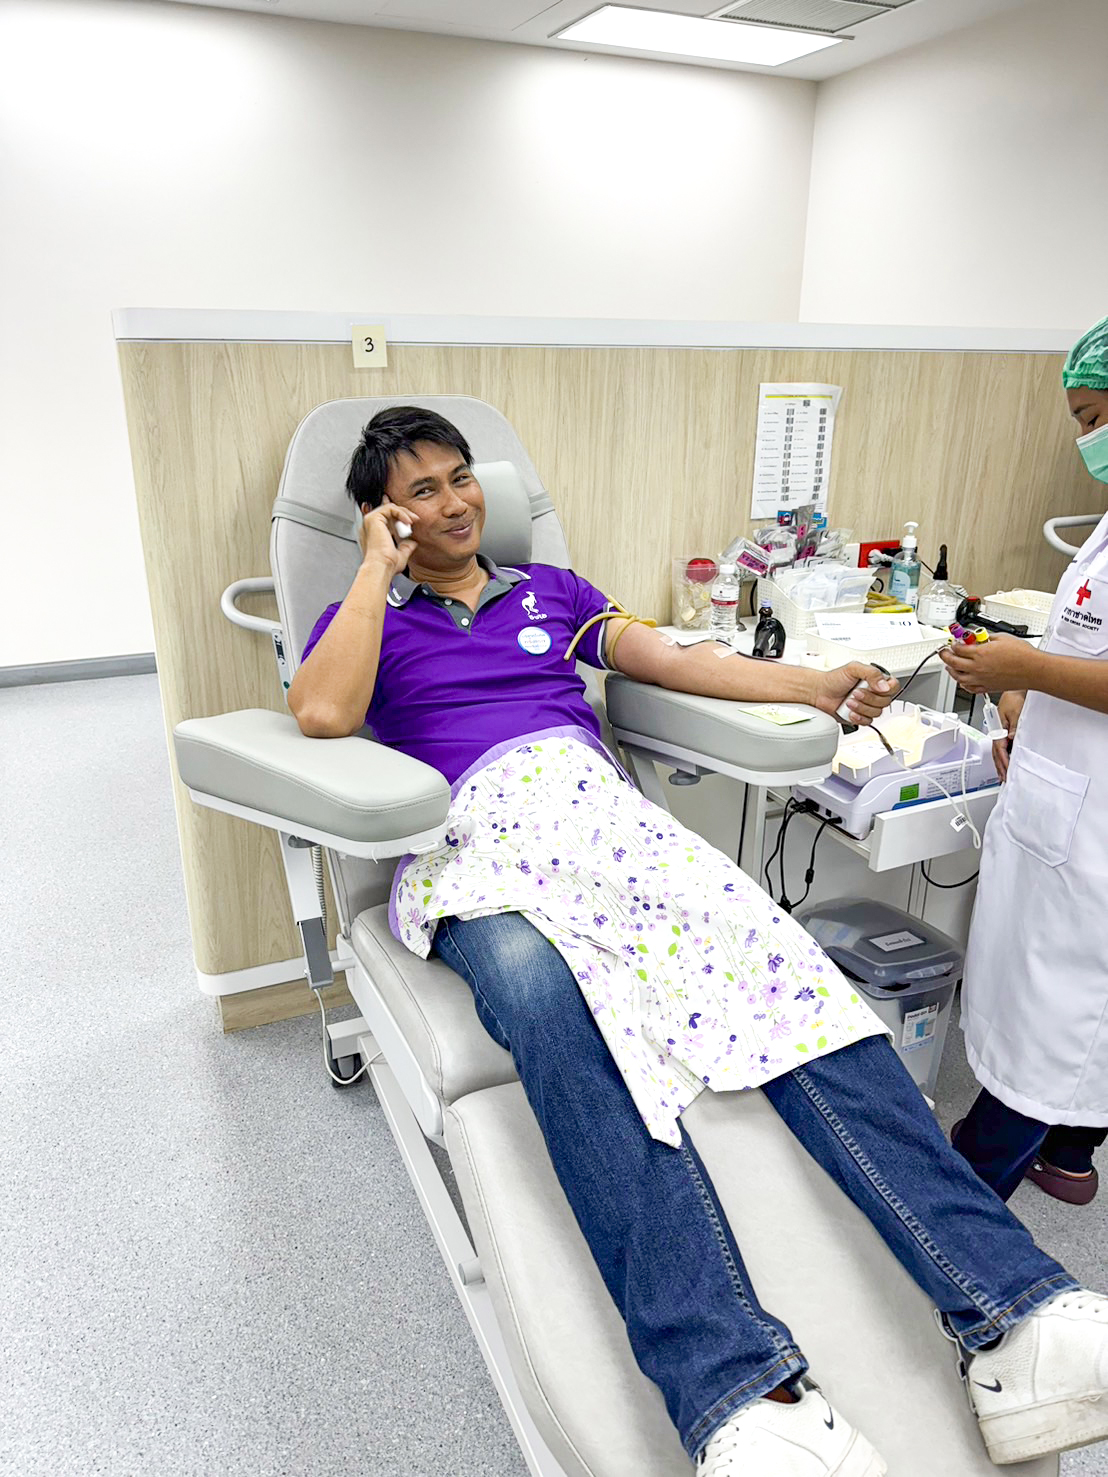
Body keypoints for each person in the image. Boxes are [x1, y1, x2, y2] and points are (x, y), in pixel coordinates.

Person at [290, 406, 1108, 1477]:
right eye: (421, 492)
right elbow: (322, 713)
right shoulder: (367, 619)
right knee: (546, 1002)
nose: (454, 502)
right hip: (478, 843)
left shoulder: (551, 593)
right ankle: (735, 1388)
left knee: (789, 973)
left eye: (461, 477)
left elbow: (673, 658)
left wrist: (812, 687)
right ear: (383, 515)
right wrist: (371, 572)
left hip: (603, 821)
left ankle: (1017, 1315)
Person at [944, 313, 1108, 1208]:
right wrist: (1024, 706)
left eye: (1092, 417)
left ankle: (960, 1205)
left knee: (1056, 1022)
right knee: (1052, 1006)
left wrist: (1024, 671)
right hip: (1065, 793)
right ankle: (1070, 1154)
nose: (1085, 440)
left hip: (1093, 838)